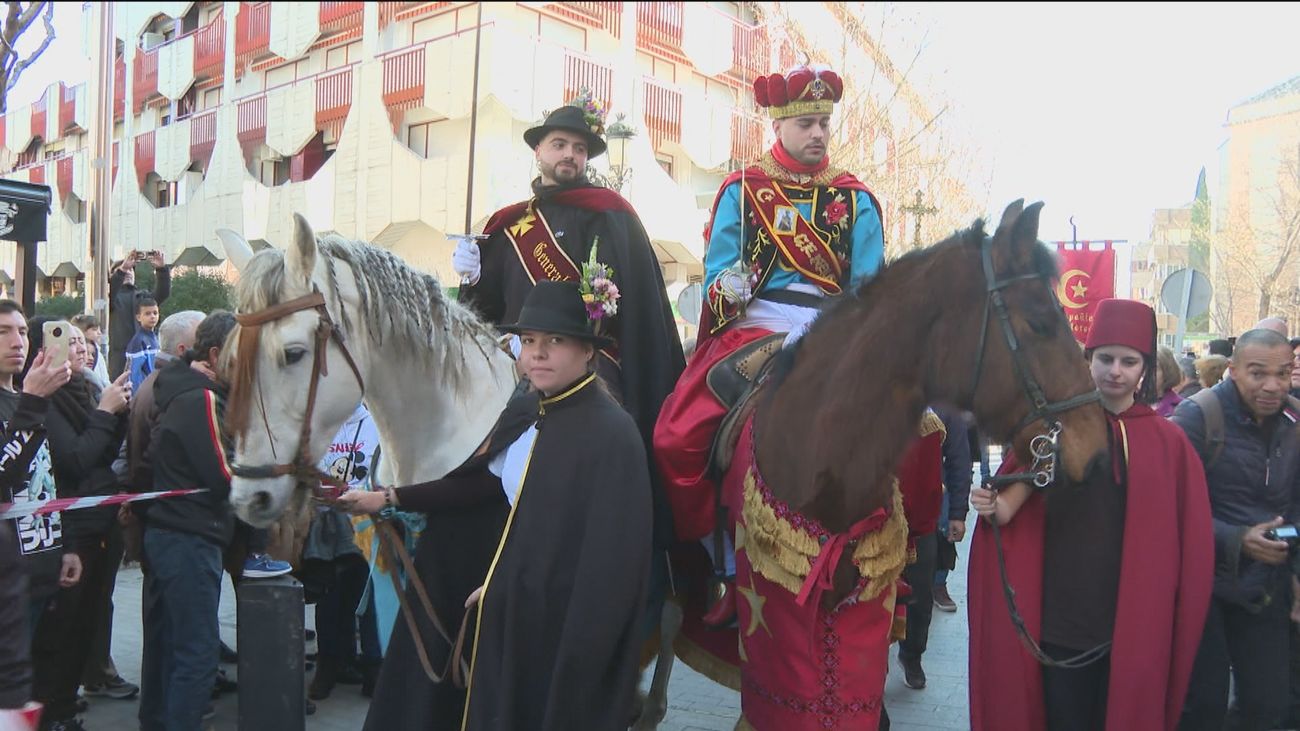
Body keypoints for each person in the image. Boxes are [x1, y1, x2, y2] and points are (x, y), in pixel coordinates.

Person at [340, 281, 653, 730]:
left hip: (557, 633)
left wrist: (509, 589)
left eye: (555, 341)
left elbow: (607, 564)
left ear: (588, 352)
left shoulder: (611, 436)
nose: (537, 353)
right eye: (529, 342)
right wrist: (389, 498)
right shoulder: (530, 414)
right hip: (507, 617)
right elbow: (478, 488)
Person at [653, 63, 884, 623]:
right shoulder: (742, 190)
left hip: (832, 331)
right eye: (806, 122)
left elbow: (871, 290)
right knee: (674, 437)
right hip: (756, 327)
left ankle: (893, 566)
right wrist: (728, 288)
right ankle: (720, 560)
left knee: (918, 430)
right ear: (778, 125)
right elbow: (717, 275)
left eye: (824, 122)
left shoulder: (857, 200)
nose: (819, 134)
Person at [454, 94, 683, 650]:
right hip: (512, 365)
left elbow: (635, 307)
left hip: (589, 363)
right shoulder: (507, 226)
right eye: (560, 144)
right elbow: (478, 313)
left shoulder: (610, 214)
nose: (570, 156)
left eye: (580, 149)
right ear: (538, 150)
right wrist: (469, 275)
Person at [968, 298, 1213, 731]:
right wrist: (990, 506)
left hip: (1136, 623)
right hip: (1063, 620)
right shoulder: (1052, 430)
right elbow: (1009, 508)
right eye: (1105, 358)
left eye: (1128, 361)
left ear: (1144, 369)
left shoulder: (1169, 446)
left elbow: (1187, 545)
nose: (1115, 371)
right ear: (1088, 360)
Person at [1174, 328, 1300, 730]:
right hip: (1202, 587)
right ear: (1232, 370)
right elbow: (1167, 509)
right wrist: (1237, 539)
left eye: (1283, 373)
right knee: (1201, 707)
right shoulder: (1196, 416)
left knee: (1271, 705)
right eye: (1258, 373)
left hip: (1267, 586)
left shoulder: (1295, 422)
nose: (1272, 385)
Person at [28, 320, 132, 729]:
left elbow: (103, 455)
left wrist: (116, 410)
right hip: (70, 533)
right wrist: (106, 412)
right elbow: (74, 460)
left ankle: (64, 704)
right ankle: (50, 710)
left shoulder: (85, 389)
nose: (79, 350)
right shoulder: (43, 402)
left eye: (80, 342)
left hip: (99, 526)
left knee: (85, 628)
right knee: (59, 634)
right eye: (67, 342)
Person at [137, 312, 237, 731]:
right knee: (195, 653)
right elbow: (221, 476)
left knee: (165, 646)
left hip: (167, 531)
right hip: (190, 537)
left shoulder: (179, 387)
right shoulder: (204, 398)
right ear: (215, 355)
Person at [0, 301, 72, 729]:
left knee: (41, 681)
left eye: (23, 331)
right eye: (3, 331)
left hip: (44, 560)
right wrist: (31, 406)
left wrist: (66, 548)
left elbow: (50, 478)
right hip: (10, 577)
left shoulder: (23, 397)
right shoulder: (25, 400)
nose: (17, 341)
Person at [302, 403, 383, 702]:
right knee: (331, 596)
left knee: (369, 596)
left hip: (370, 523)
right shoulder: (318, 422)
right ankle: (331, 663)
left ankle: (373, 666)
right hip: (327, 524)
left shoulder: (375, 421)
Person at [931, 407, 973, 615]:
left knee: (944, 530)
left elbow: (960, 460)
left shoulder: (946, 406)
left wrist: (958, 513)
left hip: (936, 492)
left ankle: (939, 583)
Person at [108, 250, 170, 380]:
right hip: (121, 361)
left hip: (146, 356)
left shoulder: (142, 296)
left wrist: (161, 269)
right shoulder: (111, 298)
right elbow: (110, 292)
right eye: (124, 270)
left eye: (131, 270)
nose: (128, 273)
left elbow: (162, 293)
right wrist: (123, 269)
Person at [124, 297, 161, 393]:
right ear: (139, 317)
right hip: (144, 393)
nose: (152, 316)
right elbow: (133, 374)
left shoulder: (157, 338)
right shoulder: (138, 341)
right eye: (147, 314)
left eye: (155, 313)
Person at [69, 315, 108, 388]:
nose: (99, 333)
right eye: (94, 329)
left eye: (93, 354)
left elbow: (105, 378)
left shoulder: (98, 353)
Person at [1154, 345, 1186, 417]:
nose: (1146, 373)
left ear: (1167, 372)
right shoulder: (1128, 405)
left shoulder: (1181, 408)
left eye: (1155, 368)